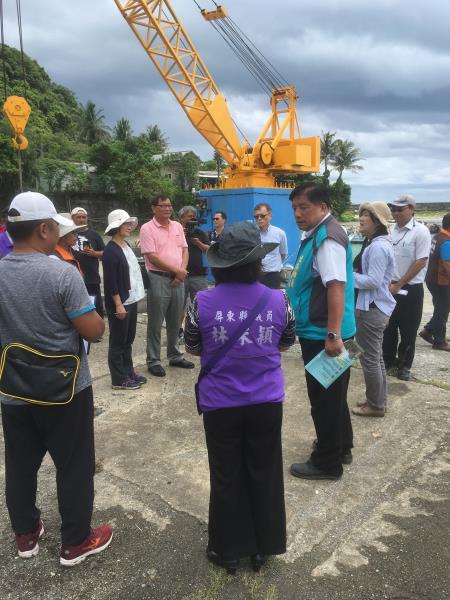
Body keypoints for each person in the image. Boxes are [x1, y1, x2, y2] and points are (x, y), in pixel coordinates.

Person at [0, 191, 112, 567]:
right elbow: (92, 330)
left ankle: (26, 535)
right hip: (66, 391)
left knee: (19, 462)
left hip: (13, 387)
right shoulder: (61, 272)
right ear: (45, 229)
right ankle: (76, 542)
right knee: (74, 464)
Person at [185, 221, 295, 574]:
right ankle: (264, 546)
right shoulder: (279, 299)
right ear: (257, 263)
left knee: (226, 474)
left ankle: (227, 549)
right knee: (264, 471)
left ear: (219, 263)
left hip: (221, 404)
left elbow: (192, 346)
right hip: (266, 401)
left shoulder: (201, 301)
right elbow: (286, 341)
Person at [286, 183, 356, 481]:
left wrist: (332, 335)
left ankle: (327, 463)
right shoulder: (317, 234)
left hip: (322, 333)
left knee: (324, 400)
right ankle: (341, 446)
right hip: (320, 329)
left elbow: (335, 287)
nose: (298, 214)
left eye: (304, 207)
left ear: (323, 207)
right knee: (334, 394)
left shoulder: (327, 239)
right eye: (294, 208)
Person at [139, 194, 194, 377]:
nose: (168, 209)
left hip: (178, 279)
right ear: (153, 208)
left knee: (175, 320)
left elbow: (184, 250)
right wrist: (177, 271)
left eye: (170, 206)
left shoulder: (177, 226)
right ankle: (153, 360)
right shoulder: (147, 229)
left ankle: (175, 355)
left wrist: (181, 272)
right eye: (163, 206)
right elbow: (152, 257)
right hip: (158, 278)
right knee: (155, 322)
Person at [351, 202, 396, 417]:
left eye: (366, 215)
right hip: (376, 307)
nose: (360, 218)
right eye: (361, 213)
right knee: (375, 357)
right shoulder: (377, 242)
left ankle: (376, 405)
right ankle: (377, 399)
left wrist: (347, 277)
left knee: (369, 358)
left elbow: (373, 281)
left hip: (372, 309)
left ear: (377, 221)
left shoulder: (378, 246)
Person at [382, 195, 431, 381]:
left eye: (400, 209)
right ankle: (388, 360)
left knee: (409, 331)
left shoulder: (421, 231)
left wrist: (400, 283)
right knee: (388, 327)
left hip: (410, 289)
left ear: (411, 209)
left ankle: (404, 366)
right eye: (393, 209)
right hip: (390, 286)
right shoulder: (390, 231)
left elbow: (421, 261)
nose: (396, 213)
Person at [103, 209, 147, 390]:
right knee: (117, 341)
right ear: (116, 226)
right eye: (126, 224)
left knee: (127, 340)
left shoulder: (126, 245)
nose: (129, 227)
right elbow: (111, 282)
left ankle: (128, 372)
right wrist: (118, 304)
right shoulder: (111, 251)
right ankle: (118, 378)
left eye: (130, 224)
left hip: (132, 299)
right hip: (121, 302)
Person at [419, 213, 450, 352]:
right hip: (441, 281)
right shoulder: (447, 242)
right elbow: (447, 264)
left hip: (431, 278)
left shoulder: (437, 237)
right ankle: (439, 341)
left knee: (441, 307)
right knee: (442, 309)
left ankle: (428, 330)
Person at [71, 207, 106, 319]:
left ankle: (96, 331)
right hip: (73, 277)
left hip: (92, 277)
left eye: (84, 217)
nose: (81, 219)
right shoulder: (67, 235)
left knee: (95, 304)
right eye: (78, 217)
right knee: (76, 305)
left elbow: (105, 253)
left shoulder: (94, 235)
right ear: (72, 219)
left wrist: (94, 253)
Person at [253, 202, 288, 288]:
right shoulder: (252, 234)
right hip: (256, 275)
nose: (259, 219)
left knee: (272, 300)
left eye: (262, 216)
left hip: (273, 276)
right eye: (256, 217)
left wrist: (275, 265)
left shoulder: (280, 233)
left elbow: (283, 254)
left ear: (270, 216)